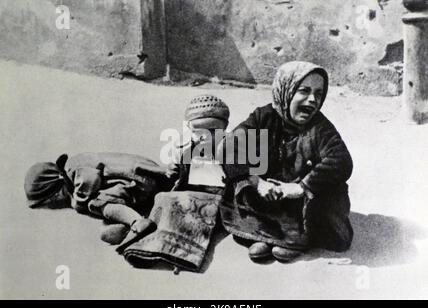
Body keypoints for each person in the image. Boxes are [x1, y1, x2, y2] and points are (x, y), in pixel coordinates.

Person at [220, 61, 354, 263]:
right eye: (304, 91)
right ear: (286, 90)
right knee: (239, 181)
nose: (312, 100)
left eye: (318, 94)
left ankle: (293, 238)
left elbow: (341, 160)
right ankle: (263, 234)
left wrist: (300, 187)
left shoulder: (320, 127)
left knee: (327, 196)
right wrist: (258, 182)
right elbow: (230, 146)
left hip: (300, 201)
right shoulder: (263, 117)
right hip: (268, 194)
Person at [117, 94, 230, 272]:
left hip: (219, 197)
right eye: (197, 131)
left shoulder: (232, 149)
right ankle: (150, 242)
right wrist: (168, 172)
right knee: (164, 199)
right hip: (188, 192)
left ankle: (181, 255)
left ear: (225, 128)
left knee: (195, 212)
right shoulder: (184, 149)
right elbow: (175, 173)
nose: (204, 137)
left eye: (213, 131)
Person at [24, 152, 171, 244]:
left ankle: (137, 222)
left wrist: (79, 201)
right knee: (106, 233)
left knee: (96, 204)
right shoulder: (73, 179)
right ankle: (140, 227)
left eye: (48, 204)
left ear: (56, 194)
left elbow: (92, 179)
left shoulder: (74, 167)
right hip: (134, 191)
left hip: (140, 181)